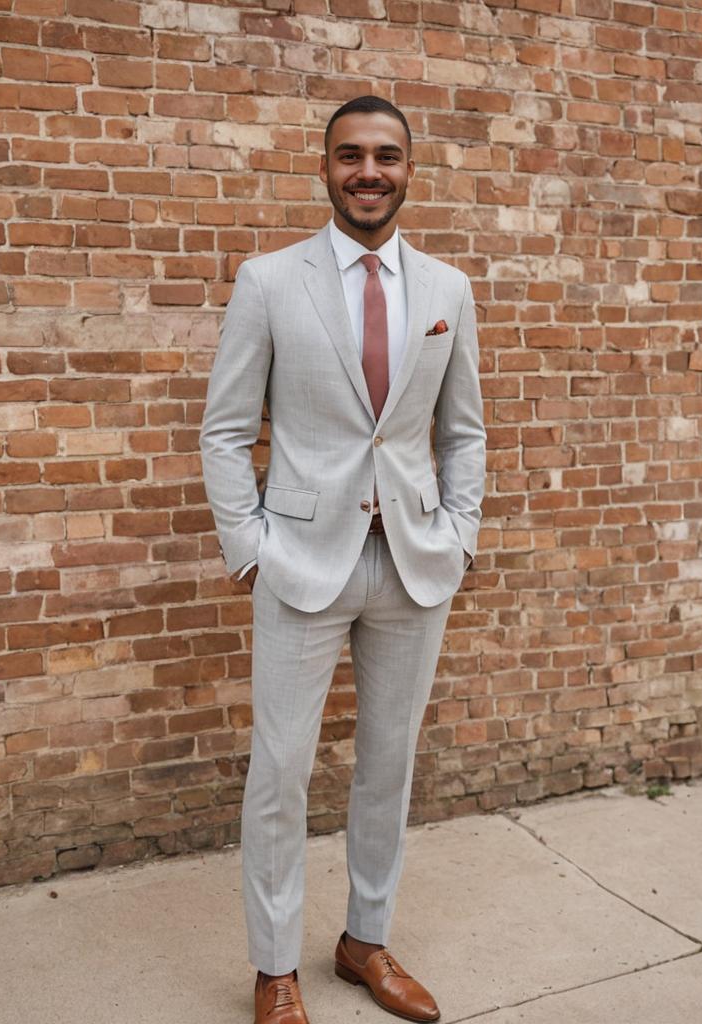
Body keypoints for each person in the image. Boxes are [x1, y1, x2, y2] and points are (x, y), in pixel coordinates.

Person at [200, 95, 486, 1024]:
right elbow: (227, 430)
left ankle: (366, 940)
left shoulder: (446, 290)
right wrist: (250, 550)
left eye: (388, 156)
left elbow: (464, 433)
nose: (371, 171)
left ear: (411, 168)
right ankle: (275, 966)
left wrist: (460, 531)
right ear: (324, 167)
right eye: (352, 155)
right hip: (301, 562)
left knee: (387, 764)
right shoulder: (269, 281)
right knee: (280, 769)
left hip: (411, 563)